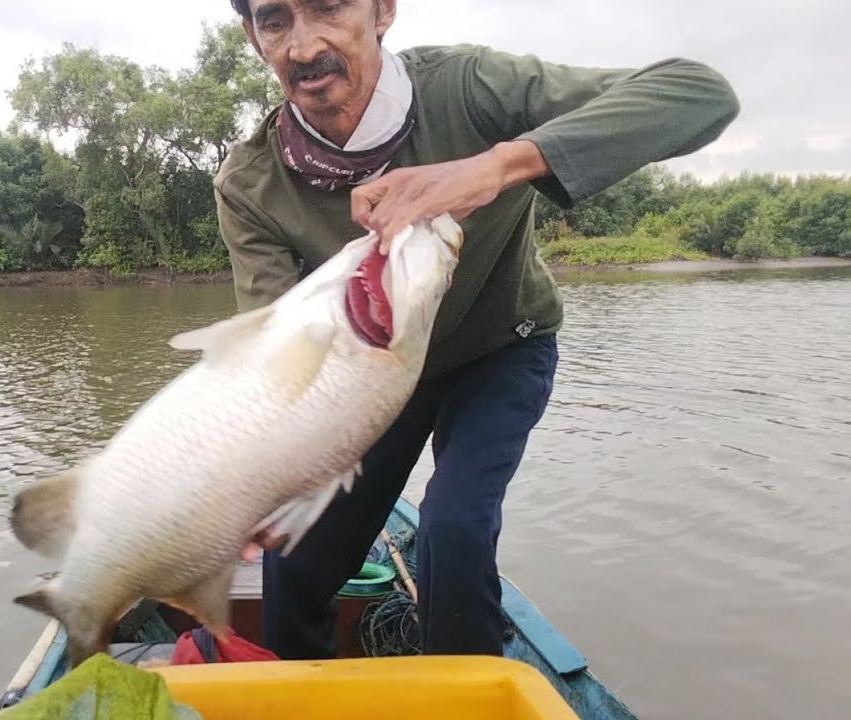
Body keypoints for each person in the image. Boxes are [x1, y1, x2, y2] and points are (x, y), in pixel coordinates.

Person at [215, 0, 740, 659]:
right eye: (275, 19)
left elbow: (699, 93)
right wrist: (256, 478)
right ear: (252, 36)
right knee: (292, 558)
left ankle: (465, 692)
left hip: (501, 345)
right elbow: (277, 362)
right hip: (373, 381)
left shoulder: (469, 88)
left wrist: (492, 167)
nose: (303, 43)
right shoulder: (251, 183)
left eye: (328, 6)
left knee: (454, 529)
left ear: (382, 11)